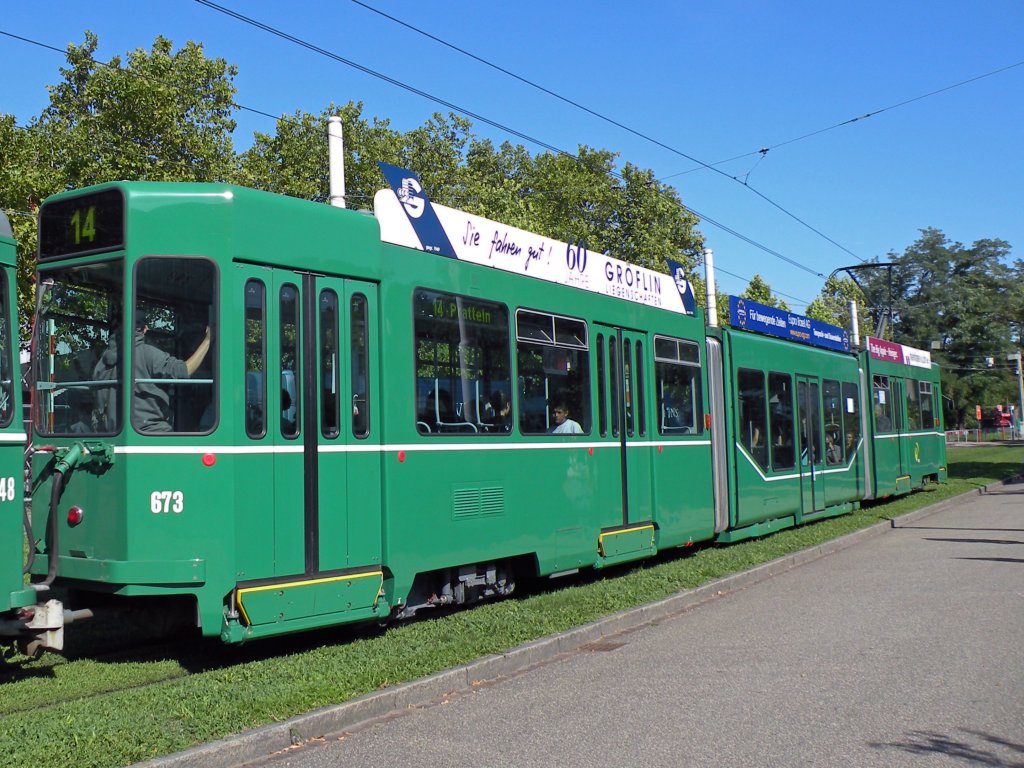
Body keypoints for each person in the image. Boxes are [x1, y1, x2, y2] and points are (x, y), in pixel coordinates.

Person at [133, 314, 212, 432]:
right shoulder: (147, 353)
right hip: (151, 431)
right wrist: (208, 339)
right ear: (144, 329)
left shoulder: (103, 360)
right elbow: (184, 371)